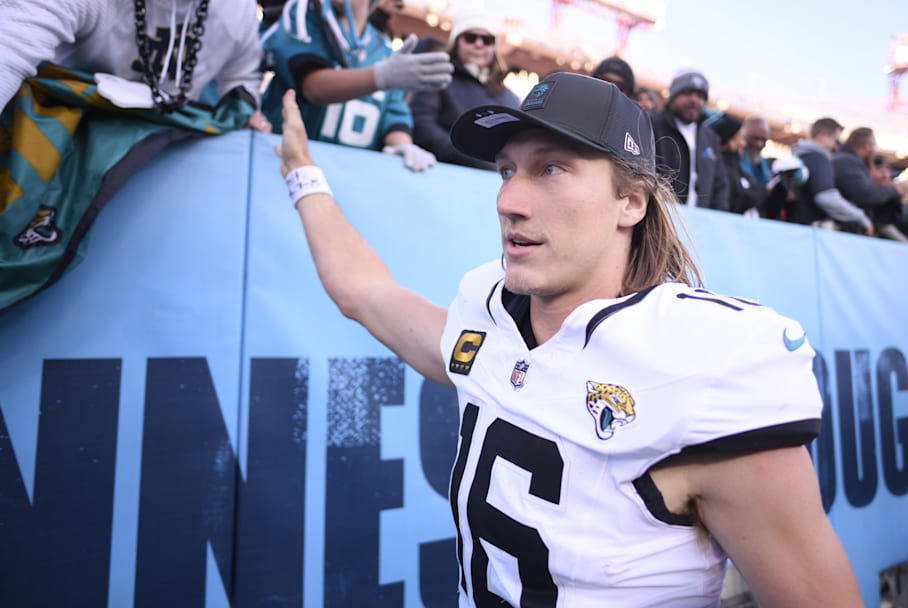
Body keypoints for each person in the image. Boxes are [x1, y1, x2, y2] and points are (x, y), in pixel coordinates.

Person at [274, 72, 862, 606]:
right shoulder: (489, 317)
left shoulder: (708, 365)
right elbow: (365, 294)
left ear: (630, 201)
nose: (508, 200)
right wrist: (302, 173)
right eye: (507, 170)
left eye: (550, 169)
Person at [0, 0, 270, 130]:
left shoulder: (239, 9)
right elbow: (10, 45)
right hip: (64, 138)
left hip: (166, 150)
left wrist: (245, 112)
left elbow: (240, 76)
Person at [261, 0, 453, 171]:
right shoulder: (303, 17)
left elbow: (393, 114)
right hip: (287, 166)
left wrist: (402, 145)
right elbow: (312, 87)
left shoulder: (382, 48)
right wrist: (379, 76)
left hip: (351, 174)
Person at [409, 9, 519, 170]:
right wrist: (477, 160)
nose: (479, 44)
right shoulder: (439, 78)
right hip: (445, 172)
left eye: (486, 40)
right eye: (470, 38)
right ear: (456, 41)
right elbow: (423, 126)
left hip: (496, 181)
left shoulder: (507, 96)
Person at [651, 70, 730, 210]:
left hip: (700, 224)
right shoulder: (653, 125)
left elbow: (720, 185)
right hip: (659, 218)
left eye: (700, 96)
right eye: (687, 93)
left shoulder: (710, 138)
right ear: (673, 97)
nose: (694, 100)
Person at [788, 118, 873, 234]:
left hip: (794, 226)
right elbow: (826, 197)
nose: (837, 147)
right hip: (809, 230)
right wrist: (860, 217)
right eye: (836, 141)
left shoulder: (800, 156)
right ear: (823, 135)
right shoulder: (819, 159)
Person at [832, 127, 908, 240]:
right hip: (848, 230)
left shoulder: (848, 160)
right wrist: (895, 190)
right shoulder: (847, 162)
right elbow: (864, 194)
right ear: (868, 145)